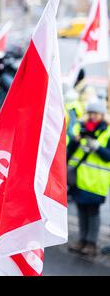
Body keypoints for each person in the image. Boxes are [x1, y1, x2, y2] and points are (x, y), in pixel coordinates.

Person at [67, 101, 109, 257]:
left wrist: (97, 147)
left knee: (93, 212)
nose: (92, 116)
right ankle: (82, 240)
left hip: (96, 182)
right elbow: (69, 152)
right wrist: (76, 140)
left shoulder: (108, 132)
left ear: (102, 115)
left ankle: (91, 244)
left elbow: (108, 157)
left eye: (96, 113)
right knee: (81, 210)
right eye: (90, 113)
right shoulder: (81, 128)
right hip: (79, 179)